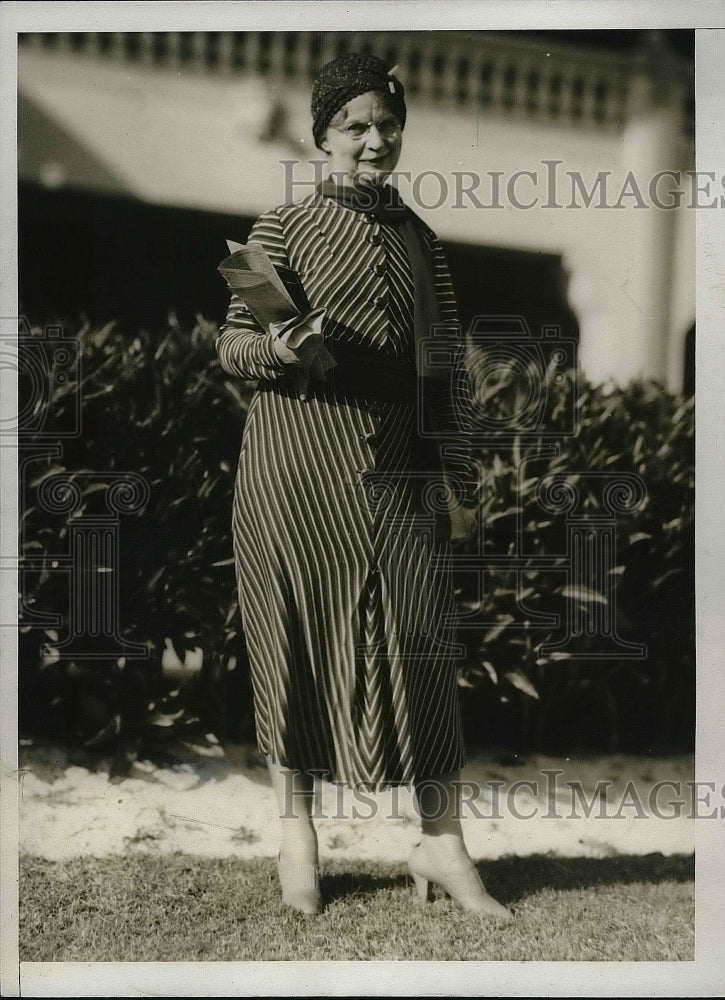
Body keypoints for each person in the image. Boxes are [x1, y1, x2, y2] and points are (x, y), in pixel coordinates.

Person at [216, 52, 511, 920]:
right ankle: (297, 836)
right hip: (295, 467)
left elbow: (444, 375)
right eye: (354, 126)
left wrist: (457, 485)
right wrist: (279, 349)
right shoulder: (278, 229)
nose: (373, 141)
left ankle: (441, 842)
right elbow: (232, 343)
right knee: (295, 640)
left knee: (421, 651)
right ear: (321, 137)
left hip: (396, 472)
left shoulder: (423, 242)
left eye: (386, 125)